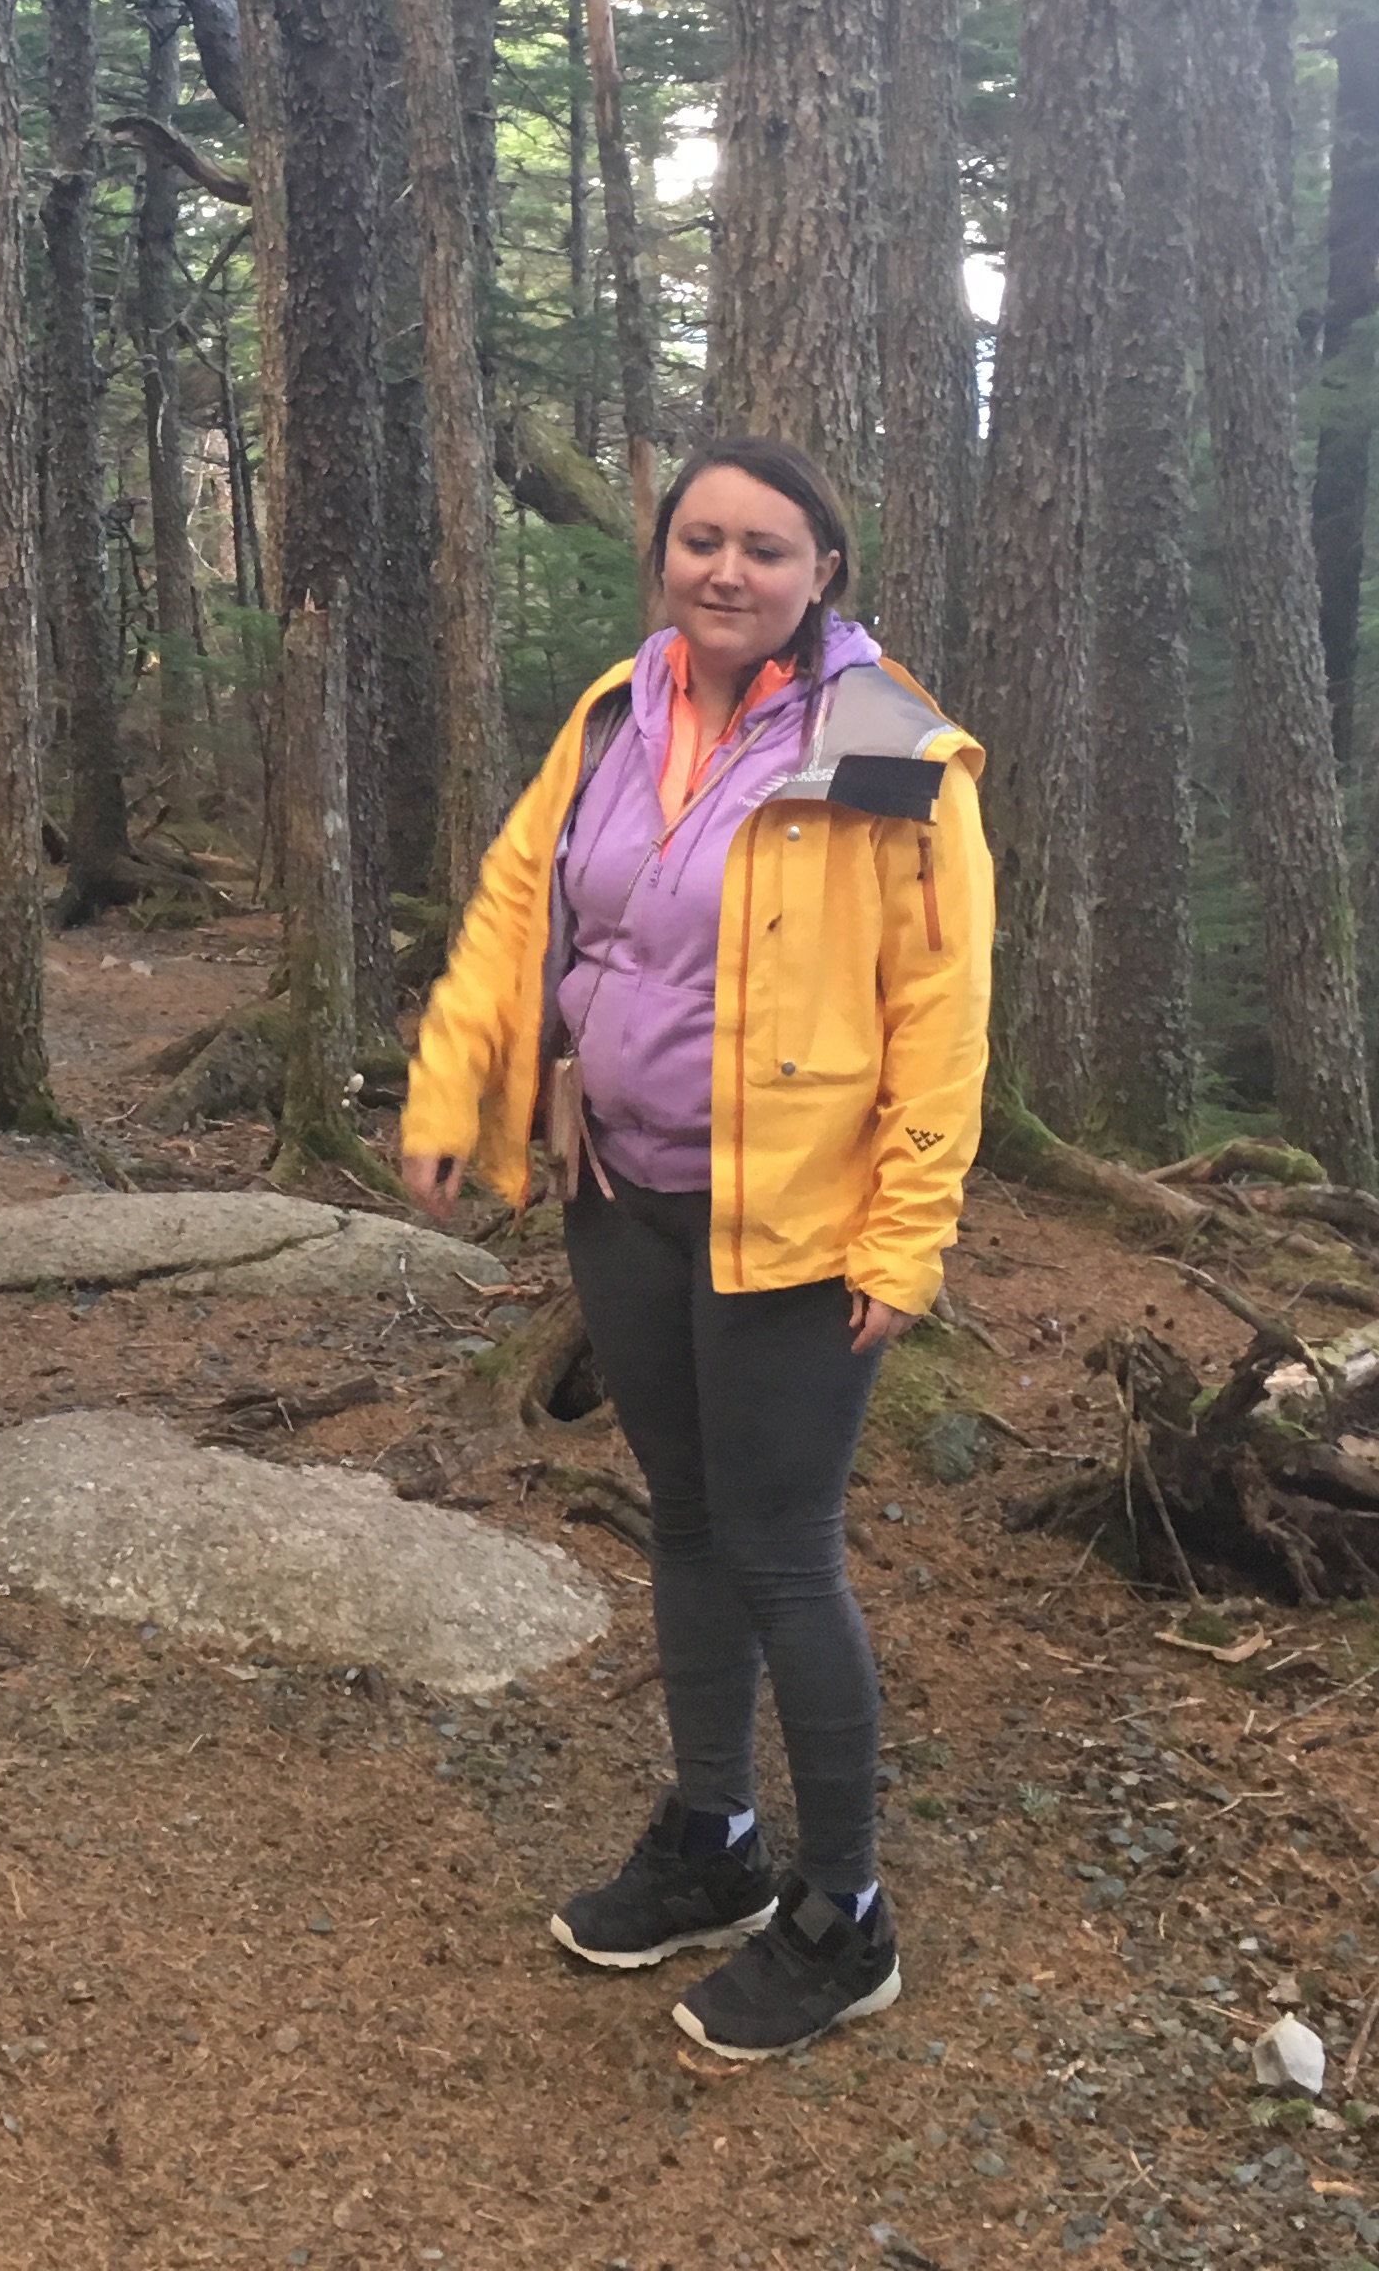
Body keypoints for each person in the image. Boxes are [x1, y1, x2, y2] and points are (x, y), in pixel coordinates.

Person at [401, 434, 992, 2061]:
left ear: (823, 574)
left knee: (782, 1550)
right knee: (684, 1518)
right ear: (663, 551)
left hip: (795, 1221)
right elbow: (518, 909)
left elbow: (941, 1015)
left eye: (767, 548)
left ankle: (845, 1916)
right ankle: (716, 1837)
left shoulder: (888, 747)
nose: (728, 570)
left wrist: (906, 1237)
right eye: (702, 539)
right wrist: (456, 1086)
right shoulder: (618, 711)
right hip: (623, 1192)